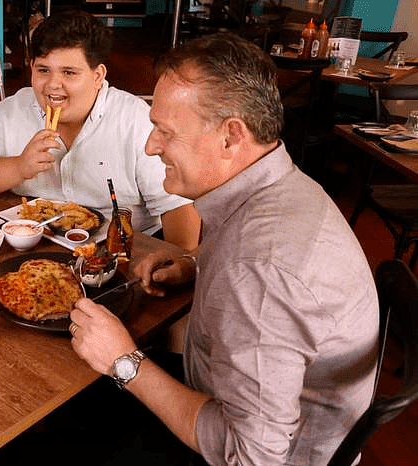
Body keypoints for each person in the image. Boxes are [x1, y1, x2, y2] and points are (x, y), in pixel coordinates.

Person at [68, 33, 379, 465]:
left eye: (164, 130)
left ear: (231, 137)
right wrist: (196, 263)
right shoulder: (274, 184)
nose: (150, 145)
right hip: (224, 391)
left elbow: (251, 457)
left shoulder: (260, 272)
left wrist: (124, 361)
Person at [0, 10, 200, 251]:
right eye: (43, 70)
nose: (52, 85)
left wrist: (174, 265)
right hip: (36, 249)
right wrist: (19, 167)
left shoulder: (134, 120)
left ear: (97, 75)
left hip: (123, 251)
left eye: (69, 73)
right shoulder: (15, 108)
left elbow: (178, 210)